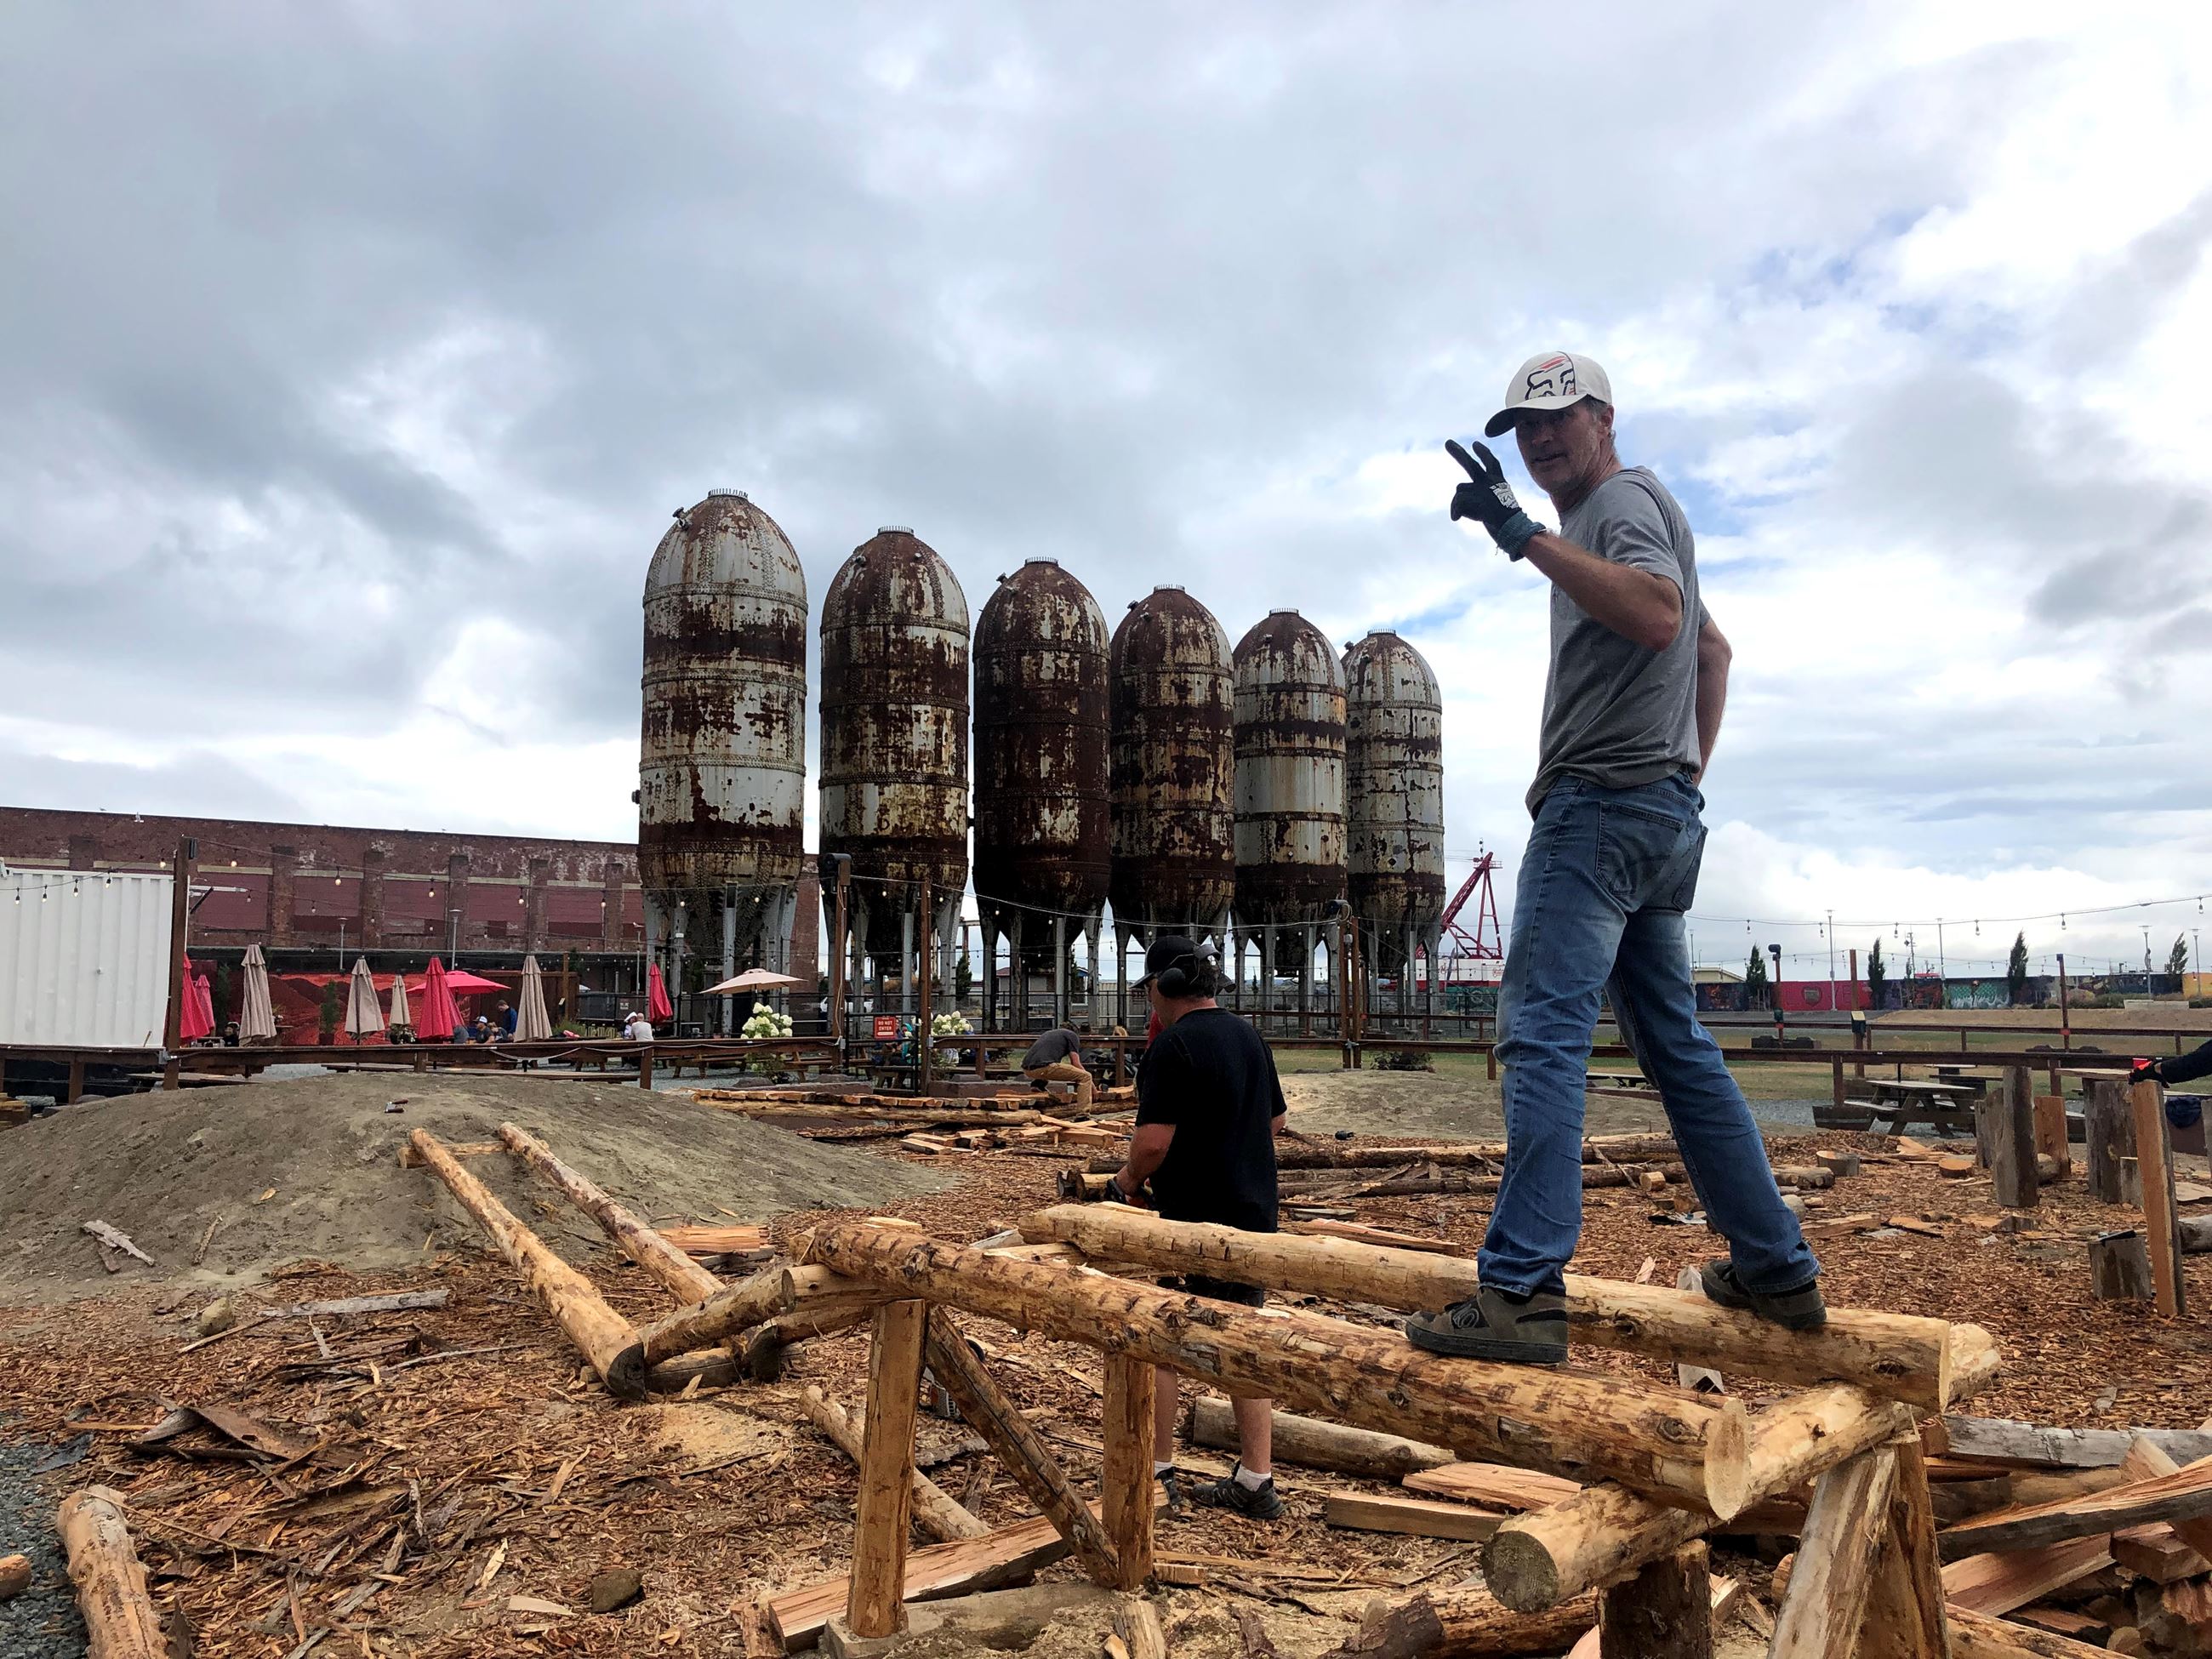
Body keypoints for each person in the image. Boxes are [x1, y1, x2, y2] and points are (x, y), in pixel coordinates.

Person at [1405, 351, 1821, 1366]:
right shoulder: (1637, 512)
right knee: (1674, 1044)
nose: (1541, 441)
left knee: (1540, 1039)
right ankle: (1775, 1271)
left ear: (1603, 416)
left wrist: (1523, 537)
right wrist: (1680, 781)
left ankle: (1518, 1293)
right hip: (1654, 814)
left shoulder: (1618, 503)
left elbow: (1657, 618)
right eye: (1524, 430)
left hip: (1596, 809)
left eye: (1558, 420)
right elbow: (1710, 653)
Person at [1112, 935, 1287, 1520]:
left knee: (1160, 1340)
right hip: (1255, 1213)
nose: (1150, 1004)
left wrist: (1127, 1181)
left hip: (1191, 1220)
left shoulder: (1174, 1047)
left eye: (1150, 992)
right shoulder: (1249, 1035)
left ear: (1164, 987)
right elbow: (1277, 1121)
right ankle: (1257, 1480)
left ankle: (1157, 1474)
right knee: (1245, 1339)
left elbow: (1154, 1144)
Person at [1021, 1027, 1094, 1112]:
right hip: (1044, 1067)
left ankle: (1038, 1085)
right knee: (1086, 1076)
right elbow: (1076, 1063)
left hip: (1027, 1069)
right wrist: (1093, 1088)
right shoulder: (1072, 1035)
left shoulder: (1050, 1033)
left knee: (1053, 1064)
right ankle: (1083, 1113)